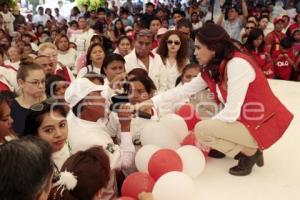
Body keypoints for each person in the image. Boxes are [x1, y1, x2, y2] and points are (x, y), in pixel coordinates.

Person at [136, 24, 294, 176]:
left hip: (262, 124)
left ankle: (250, 152)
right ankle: (240, 146)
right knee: (207, 116)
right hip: (247, 120)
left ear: (213, 47)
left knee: (202, 130)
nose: (195, 52)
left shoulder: (237, 64)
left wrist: (211, 133)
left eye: (198, 48)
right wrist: (152, 102)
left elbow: (231, 112)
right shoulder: (213, 67)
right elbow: (183, 90)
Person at [65, 77, 135, 199]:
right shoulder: (95, 141)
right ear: (88, 103)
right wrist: (125, 126)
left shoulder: (71, 118)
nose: (103, 98)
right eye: (98, 94)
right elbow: (126, 161)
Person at [23, 98, 71, 172]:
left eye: (62, 125)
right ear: (35, 134)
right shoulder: (33, 166)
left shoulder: (69, 143)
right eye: (49, 130)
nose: (59, 134)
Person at [10, 58, 47, 135]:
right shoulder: (10, 107)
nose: (40, 86)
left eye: (43, 81)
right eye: (35, 82)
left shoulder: (51, 104)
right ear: (21, 83)